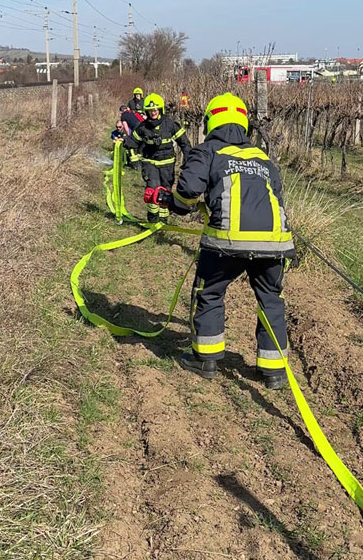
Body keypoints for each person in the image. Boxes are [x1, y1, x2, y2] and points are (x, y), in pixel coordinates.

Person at [162, 92, 295, 389]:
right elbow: (276, 196)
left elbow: (187, 193)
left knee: (209, 292)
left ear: (210, 122)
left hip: (227, 242)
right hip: (274, 243)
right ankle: (273, 371)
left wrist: (175, 203)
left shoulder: (208, 150)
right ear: (244, 123)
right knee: (271, 300)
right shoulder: (262, 157)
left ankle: (205, 359)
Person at [124, 93, 191, 223]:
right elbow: (133, 141)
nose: (153, 112)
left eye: (155, 109)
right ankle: (153, 219)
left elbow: (184, 143)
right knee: (152, 190)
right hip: (150, 163)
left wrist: (188, 159)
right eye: (150, 110)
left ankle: (163, 220)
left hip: (167, 164)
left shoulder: (170, 125)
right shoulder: (142, 127)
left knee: (165, 191)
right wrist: (123, 142)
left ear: (160, 109)